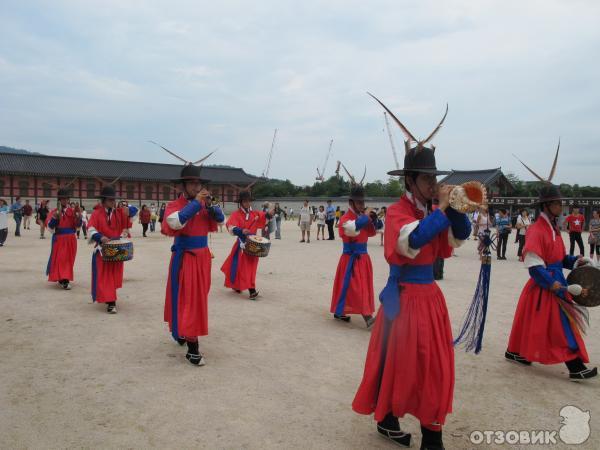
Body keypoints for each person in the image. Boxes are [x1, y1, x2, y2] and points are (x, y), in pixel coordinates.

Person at [353, 97, 470, 450]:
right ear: (409, 181)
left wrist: (458, 210)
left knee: (433, 366)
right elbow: (412, 241)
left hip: (429, 299)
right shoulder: (396, 212)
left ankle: (432, 435)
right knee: (398, 363)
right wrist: (442, 210)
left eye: (434, 178)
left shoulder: (434, 209)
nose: (433, 185)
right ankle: (388, 417)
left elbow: (459, 237)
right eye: (426, 179)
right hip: (404, 301)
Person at [506, 185, 596, 380]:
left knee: (531, 324)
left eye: (560, 202)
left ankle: (515, 352)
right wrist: (552, 285)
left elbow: (559, 259)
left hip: (557, 284)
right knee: (562, 326)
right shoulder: (536, 230)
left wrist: (577, 261)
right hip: (545, 287)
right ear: (546, 205)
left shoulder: (554, 229)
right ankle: (575, 367)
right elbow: (534, 266)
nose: (560, 206)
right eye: (557, 203)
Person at [162, 164, 224, 366]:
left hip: (203, 258)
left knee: (198, 298)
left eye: (198, 183)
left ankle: (180, 329)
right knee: (189, 300)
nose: (196, 186)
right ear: (183, 186)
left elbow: (221, 220)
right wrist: (197, 204)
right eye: (192, 183)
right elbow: (175, 222)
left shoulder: (205, 204)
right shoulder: (174, 205)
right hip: (185, 258)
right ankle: (192, 347)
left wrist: (213, 207)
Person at [330, 185, 382, 327]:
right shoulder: (345, 218)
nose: (362, 205)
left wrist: (373, 219)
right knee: (357, 287)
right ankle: (368, 317)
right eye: (359, 202)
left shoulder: (361, 217)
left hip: (363, 257)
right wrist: (366, 216)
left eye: (363, 203)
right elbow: (352, 229)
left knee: (354, 286)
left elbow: (372, 232)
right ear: (351, 202)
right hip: (350, 258)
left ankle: (339, 311)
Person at [87, 186, 133, 314]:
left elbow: (130, 218)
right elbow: (90, 228)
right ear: (103, 200)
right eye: (110, 199)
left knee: (114, 276)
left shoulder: (119, 212)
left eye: (114, 199)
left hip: (117, 249)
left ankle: (110, 297)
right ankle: (111, 302)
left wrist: (127, 210)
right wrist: (100, 237)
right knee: (105, 276)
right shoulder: (96, 213)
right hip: (103, 249)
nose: (112, 202)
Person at [221, 190, 271, 300]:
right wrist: (241, 230)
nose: (247, 203)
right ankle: (251, 290)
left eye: (249, 201)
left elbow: (264, 218)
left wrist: (270, 214)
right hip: (241, 245)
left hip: (254, 245)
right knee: (243, 268)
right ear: (241, 202)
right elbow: (230, 226)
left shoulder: (255, 214)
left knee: (251, 268)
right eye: (245, 201)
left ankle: (239, 286)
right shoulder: (236, 214)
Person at [45, 189, 81, 290]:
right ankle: (64, 280)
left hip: (71, 239)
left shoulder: (72, 211)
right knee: (61, 259)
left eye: (66, 199)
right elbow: (50, 227)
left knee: (69, 260)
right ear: (59, 200)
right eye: (63, 199)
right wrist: (55, 218)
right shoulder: (54, 212)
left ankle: (64, 278)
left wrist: (79, 217)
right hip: (59, 239)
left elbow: (77, 226)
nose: (65, 201)